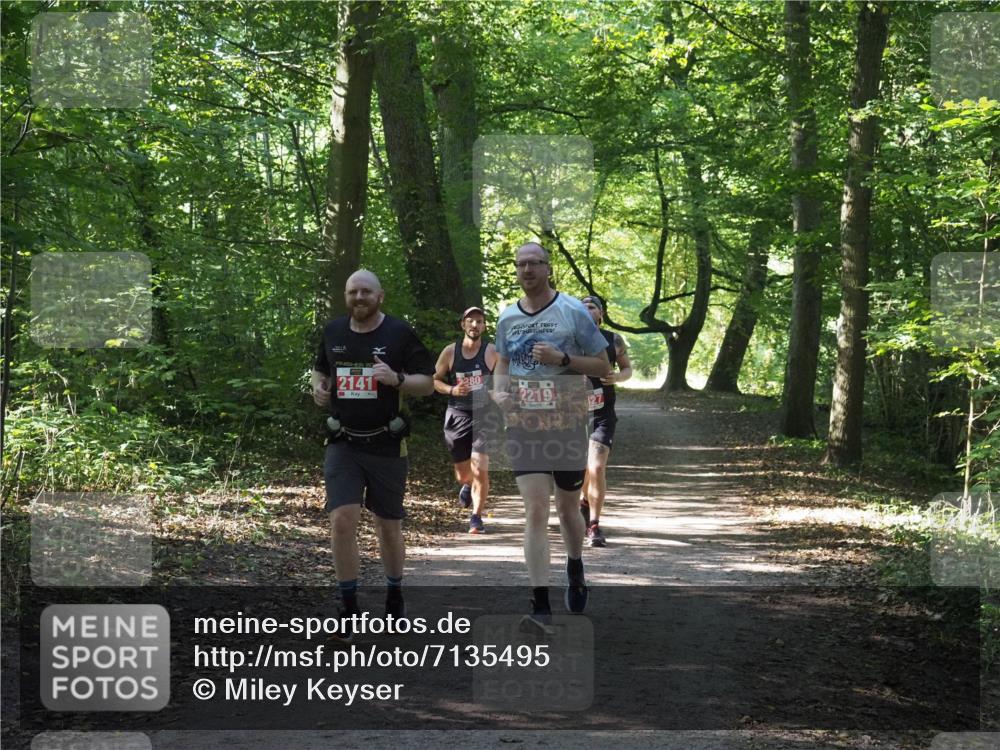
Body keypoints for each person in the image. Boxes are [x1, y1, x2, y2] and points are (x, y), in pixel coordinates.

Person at [312, 270, 435, 643]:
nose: (359, 297)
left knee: (387, 525)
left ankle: (394, 593)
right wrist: (318, 386)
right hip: (343, 443)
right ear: (346, 296)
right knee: (343, 520)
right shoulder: (333, 332)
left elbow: (427, 383)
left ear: (380, 296)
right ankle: (348, 608)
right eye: (353, 292)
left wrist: (396, 379)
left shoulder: (398, 333)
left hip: (386, 444)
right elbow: (320, 370)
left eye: (366, 291)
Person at [493, 242, 610, 631]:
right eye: (521, 264)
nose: (527, 270)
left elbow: (602, 364)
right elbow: (504, 363)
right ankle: (539, 604)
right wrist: (500, 392)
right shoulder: (507, 317)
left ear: (548, 268)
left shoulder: (572, 310)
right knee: (536, 510)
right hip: (524, 424)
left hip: (566, 421)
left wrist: (562, 360)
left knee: (565, 507)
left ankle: (575, 564)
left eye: (534, 264)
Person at [433, 306, 498, 534]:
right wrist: (452, 389)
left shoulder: (492, 352)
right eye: (470, 321)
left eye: (479, 322)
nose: (475, 325)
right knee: (463, 474)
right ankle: (467, 484)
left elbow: (502, 383)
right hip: (457, 414)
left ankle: (476, 517)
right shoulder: (451, 352)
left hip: (484, 416)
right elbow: (435, 380)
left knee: (481, 468)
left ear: (484, 326)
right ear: (463, 324)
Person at [579, 295, 632, 547]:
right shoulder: (568, 339)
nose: (587, 311)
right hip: (573, 415)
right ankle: (582, 500)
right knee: (580, 470)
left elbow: (627, 369)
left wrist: (618, 378)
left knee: (597, 468)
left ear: (600, 314)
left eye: (591, 307)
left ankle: (594, 525)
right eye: (582, 307)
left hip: (602, 413)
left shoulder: (613, 340)